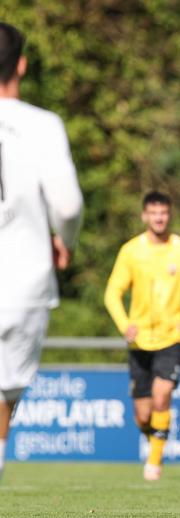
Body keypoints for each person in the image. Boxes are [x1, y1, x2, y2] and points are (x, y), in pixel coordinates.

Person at [0, 22, 83, 482]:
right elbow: (68, 205)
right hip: (22, 280)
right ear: (23, 65)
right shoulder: (43, 125)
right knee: (6, 391)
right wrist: (63, 242)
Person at [104, 192, 180, 481]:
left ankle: (154, 463)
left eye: (164, 213)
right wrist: (125, 324)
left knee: (163, 396)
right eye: (154, 213)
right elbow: (112, 292)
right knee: (143, 415)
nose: (159, 218)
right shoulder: (131, 251)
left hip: (171, 337)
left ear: (170, 214)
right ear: (144, 216)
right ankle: (155, 440)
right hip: (139, 341)